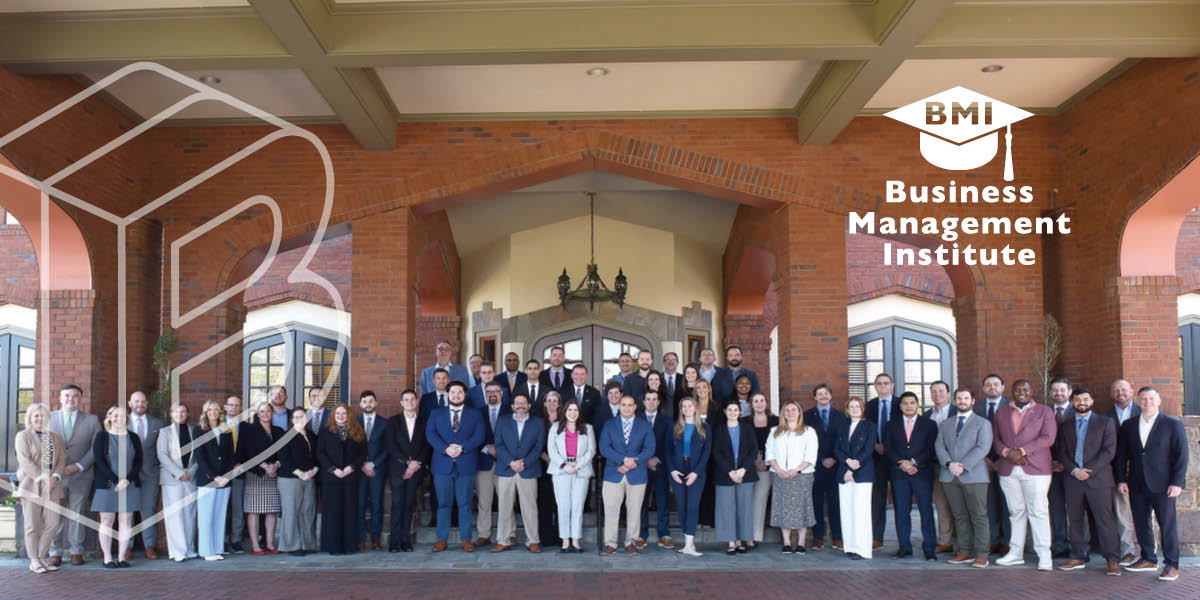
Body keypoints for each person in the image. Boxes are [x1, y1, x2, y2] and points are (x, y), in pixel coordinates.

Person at [1116, 386, 1188, 581]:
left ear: (1158, 401)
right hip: (1136, 483)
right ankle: (1148, 558)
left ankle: (1172, 564)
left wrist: (1177, 482)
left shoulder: (1173, 424)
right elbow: (1122, 456)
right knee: (1141, 523)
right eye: (1144, 399)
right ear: (1139, 402)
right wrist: (1121, 479)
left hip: (1164, 485)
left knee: (1167, 525)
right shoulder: (1128, 425)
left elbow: (1181, 456)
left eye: (1151, 398)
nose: (1147, 402)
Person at [1054, 387, 1121, 575]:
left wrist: (1088, 471)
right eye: (1077, 399)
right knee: (1075, 520)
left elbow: (1109, 451)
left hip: (1098, 479)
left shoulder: (1105, 422)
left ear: (1091, 401)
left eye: (1085, 399)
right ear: (1072, 401)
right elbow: (1061, 451)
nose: (1081, 403)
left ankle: (1112, 559)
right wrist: (1075, 470)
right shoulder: (1065, 425)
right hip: (1073, 479)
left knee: (1104, 520)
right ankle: (1077, 556)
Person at [992, 379, 1057, 571]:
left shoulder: (1045, 411)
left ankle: (1044, 555)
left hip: (1036, 469)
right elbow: (995, 439)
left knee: (1038, 511)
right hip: (1008, 469)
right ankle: (1015, 553)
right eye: (1017, 388)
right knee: (1016, 512)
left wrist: (1020, 451)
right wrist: (1007, 453)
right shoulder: (1001, 412)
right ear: (1011, 391)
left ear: (1032, 391)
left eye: (1025, 389)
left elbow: (1048, 438)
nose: (1021, 392)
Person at [936, 388, 993, 568]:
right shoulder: (946, 424)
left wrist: (963, 465)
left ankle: (982, 553)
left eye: (966, 398)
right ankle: (965, 551)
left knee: (979, 515)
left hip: (974, 475)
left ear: (973, 401)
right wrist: (949, 464)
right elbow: (939, 447)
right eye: (959, 398)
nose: (962, 401)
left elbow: (983, 447)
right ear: (955, 400)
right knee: (959, 515)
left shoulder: (982, 423)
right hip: (949, 475)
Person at [427, 381, 486, 552]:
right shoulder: (436, 413)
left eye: (460, 392)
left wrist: (462, 448)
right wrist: (445, 448)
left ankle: (466, 539)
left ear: (464, 394)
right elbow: (430, 434)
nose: (456, 395)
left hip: (465, 464)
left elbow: (479, 435)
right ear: (447, 394)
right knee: (444, 503)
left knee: (465, 503)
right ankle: (441, 539)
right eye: (453, 392)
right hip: (442, 464)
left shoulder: (475, 414)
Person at [47, 384, 101, 567]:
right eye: (67, 396)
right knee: (56, 513)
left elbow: (96, 447)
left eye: (75, 396)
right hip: (55, 476)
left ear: (80, 399)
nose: (71, 399)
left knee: (77, 513)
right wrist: (54, 471)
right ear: (60, 398)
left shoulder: (92, 420)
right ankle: (55, 551)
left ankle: (76, 550)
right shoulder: (48, 418)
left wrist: (79, 466)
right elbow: (43, 446)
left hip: (81, 474)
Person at [884, 392, 939, 561]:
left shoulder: (929, 424)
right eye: (905, 403)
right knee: (901, 511)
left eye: (912, 403)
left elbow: (931, 448)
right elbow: (888, 447)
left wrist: (914, 463)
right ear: (900, 406)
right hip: (899, 473)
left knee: (926, 510)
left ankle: (929, 548)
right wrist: (902, 463)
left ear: (917, 405)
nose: (908, 406)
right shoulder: (890, 425)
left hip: (921, 472)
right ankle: (904, 548)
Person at [598, 395, 655, 555]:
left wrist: (632, 463)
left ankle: (631, 542)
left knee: (635, 510)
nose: (627, 408)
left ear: (636, 406)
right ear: (619, 406)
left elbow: (649, 449)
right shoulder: (609, 424)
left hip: (637, 474)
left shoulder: (644, 425)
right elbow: (604, 447)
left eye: (630, 405)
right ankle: (610, 544)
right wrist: (623, 460)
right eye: (623, 405)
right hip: (613, 473)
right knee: (610, 509)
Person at [14, 403, 66, 573]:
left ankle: (41, 557)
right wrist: (43, 478)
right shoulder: (23, 436)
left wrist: (55, 477)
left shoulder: (55, 437)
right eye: (36, 416)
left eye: (43, 415)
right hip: (32, 485)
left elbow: (61, 461)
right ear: (30, 418)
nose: (39, 419)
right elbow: (25, 461)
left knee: (53, 523)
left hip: (53, 486)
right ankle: (34, 560)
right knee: (32, 525)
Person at [491, 394, 546, 553]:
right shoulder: (502, 421)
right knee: (504, 506)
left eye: (523, 403)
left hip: (528, 469)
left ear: (529, 406)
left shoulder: (538, 423)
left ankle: (533, 541)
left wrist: (524, 463)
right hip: (506, 469)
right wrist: (511, 462)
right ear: (512, 406)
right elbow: (499, 445)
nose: (520, 405)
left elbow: (538, 447)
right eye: (517, 403)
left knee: (529, 507)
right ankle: (503, 540)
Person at [92, 404, 144, 568]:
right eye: (114, 415)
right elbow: (99, 461)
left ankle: (122, 557)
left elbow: (139, 462)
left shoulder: (134, 437)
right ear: (109, 417)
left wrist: (127, 480)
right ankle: (107, 557)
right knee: (107, 520)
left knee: (126, 520)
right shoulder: (102, 436)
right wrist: (116, 480)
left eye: (122, 415)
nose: (118, 418)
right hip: (107, 485)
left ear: (126, 419)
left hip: (130, 484)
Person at [766, 399, 817, 553]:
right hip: (780, 475)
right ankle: (787, 542)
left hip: (802, 476)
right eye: (787, 410)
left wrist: (797, 470)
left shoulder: (808, 431)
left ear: (799, 412)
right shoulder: (775, 431)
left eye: (794, 410)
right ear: (783, 414)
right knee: (783, 507)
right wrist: (778, 469)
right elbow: (770, 452)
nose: (790, 413)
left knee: (802, 508)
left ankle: (801, 543)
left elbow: (810, 455)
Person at [318, 404, 367, 555]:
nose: (340, 416)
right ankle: (333, 547)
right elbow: (320, 453)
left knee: (350, 512)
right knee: (332, 513)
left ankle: (349, 546)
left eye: (343, 413)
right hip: (331, 479)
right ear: (333, 415)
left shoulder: (358, 431)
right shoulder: (325, 432)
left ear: (349, 415)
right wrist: (334, 470)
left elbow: (362, 453)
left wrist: (351, 468)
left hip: (350, 478)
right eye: (337, 413)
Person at [547, 399, 595, 553]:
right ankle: (565, 540)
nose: (572, 413)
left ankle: (576, 540)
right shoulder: (555, 427)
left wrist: (578, 465)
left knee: (578, 506)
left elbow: (591, 451)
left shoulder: (588, 428)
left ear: (579, 412)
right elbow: (551, 450)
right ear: (564, 411)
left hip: (580, 470)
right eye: (570, 410)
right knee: (563, 506)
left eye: (575, 410)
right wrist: (564, 465)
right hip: (561, 471)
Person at [237, 401, 285, 555]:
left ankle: (270, 544)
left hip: (273, 474)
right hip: (256, 474)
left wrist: (276, 466)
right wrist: (265, 467)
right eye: (262, 411)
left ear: (272, 413)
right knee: (254, 511)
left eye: (268, 411)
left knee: (272, 511)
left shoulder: (278, 431)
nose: (265, 414)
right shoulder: (250, 430)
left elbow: (283, 452)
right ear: (257, 414)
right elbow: (249, 452)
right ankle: (256, 545)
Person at [387, 389, 430, 552]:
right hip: (398, 470)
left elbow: (427, 445)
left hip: (416, 470)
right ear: (401, 403)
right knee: (397, 505)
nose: (410, 402)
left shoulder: (425, 421)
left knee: (408, 505)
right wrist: (406, 463)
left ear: (417, 401)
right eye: (406, 400)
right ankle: (394, 542)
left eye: (412, 399)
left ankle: (405, 541)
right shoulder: (393, 421)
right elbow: (391, 446)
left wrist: (415, 465)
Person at [713, 402, 758, 555]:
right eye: (730, 409)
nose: (733, 412)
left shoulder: (747, 428)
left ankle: (741, 540)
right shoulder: (718, 430)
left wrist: (742, 470)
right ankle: (731, 542)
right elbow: (716, 453)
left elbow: (753, 450)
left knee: (744, 508)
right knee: (726, 508)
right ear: (725, 411)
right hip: (725, 474)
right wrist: (730, 472)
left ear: (740, 412)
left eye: (736, 410)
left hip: (746, 473)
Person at [1105, 378, 1141, 566]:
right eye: (1116, 390)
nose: (1120, 393)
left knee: (1145, 512)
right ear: (1112, 394)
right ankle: (1128, 551)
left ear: (1132, 391)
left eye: (1124, 389)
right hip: (1116, 471)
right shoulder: (1104, 417)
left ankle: (1147, 551)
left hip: (1143, 471)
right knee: (1123, 512)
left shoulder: (1143, 412)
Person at [667, 397, 710, 556]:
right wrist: (672, 470)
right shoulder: (675, 427)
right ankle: (688, 545)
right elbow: (668, 451)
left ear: (695, 408)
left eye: (689, 406)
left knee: (692, 506)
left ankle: (689, 544)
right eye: (683, 406)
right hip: (678, 471)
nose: (686, 408)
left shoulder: (705, 428)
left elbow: (706, 453)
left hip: (696, 471)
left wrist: (696, 472)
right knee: (682, 507)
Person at [804, 384, 845, 551]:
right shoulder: (807, 416)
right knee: (817, 503)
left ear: (830, 395)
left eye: (825, 393)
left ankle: (837, 537)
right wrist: (821, 458)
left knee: (836, 503)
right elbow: (805, 441)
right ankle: (818, 537)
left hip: (836, 466)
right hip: (816, 466)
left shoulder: (841, 416)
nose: (823, 396)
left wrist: (834, 458)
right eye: (819, 394)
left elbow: (843, 440)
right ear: (815, 397)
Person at [194, 399, 235, 561]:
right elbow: (200, 456)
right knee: (206, 517)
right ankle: (206, 551)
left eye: (216, 409)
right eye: (209, 410)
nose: (213, 412)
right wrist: (213, 476)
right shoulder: (199, 430)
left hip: (224, 481)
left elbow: (231, 455)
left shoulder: (226, 430)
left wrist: (226, 476)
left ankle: (217, 548)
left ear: (220, 412)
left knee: (219, 515)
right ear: (205, 412)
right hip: (207, 480)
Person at [835, 397, 875, 560]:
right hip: (844, 472)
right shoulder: (842, 426)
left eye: (857, 406)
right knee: (847, 510)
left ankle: (862, 549)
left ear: (862, 408)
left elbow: (868, 448)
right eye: (851, 406)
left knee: (860, 511)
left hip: (862, 473)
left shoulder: (869, 426)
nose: (854, 409)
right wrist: (846, 462)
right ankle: (850, 546)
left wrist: (852, 468)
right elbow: (836, 448)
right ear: (847, 409)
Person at [976, 373, 1012, 555]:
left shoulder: (1012, 406)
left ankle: (1007, 541)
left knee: (1008, 503)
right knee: (989, 503)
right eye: (988, 385)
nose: (992, 387)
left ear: (1003, 387)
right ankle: (993, 539)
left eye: (996, 384)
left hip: (1007, 462)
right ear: (983, 388)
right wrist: (985, 459)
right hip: (982, 462)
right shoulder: (976, 407)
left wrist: (1001, 459)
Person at [157, 402, 198, 562]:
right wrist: (179, 473)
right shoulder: (165, 432)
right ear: (171, 414)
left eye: (183, 412)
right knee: (175, 514)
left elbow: (199, 456)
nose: (180, 414)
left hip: (191, 477)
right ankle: (178, 551)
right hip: (172, 479)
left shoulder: (194, 431)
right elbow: (162, 455)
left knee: (190, 514)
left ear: (187, 414)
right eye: (176, 412)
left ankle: (189, 549)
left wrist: (191, 472)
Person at [865, 373, 901, 550]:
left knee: (900, 501)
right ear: (875, 386)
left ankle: (903, 541)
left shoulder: (901, 404)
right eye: (879, 384)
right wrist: (874, 445)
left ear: (892, 385)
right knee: (877, 500)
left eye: (886, 383)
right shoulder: (869, 406)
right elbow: (863, 431)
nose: (883, 386)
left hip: (897, 460)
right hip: (876, 458)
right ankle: (877, 538)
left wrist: (891, 448)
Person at [127, 391, 163, 560]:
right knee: (128, 511)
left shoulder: (158, 423)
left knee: (148, 510)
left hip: (150, 474)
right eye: (136, 401)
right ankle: (127, 546)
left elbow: (161, 449)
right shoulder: (122, 421)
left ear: (146, 403)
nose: (139, 404)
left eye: (142, 401)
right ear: (130, 403)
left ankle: (149, 546)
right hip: (127, 476)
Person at [277, 407, 318, 557]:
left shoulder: (312, 435)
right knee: (291, 512)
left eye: (302, 417)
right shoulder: (286, 436)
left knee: (308, 511)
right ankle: (292, 546)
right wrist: (300, 473)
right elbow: (283, 459)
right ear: (291, 420)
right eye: (296, 417)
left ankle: (308, 543)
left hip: (310, 477)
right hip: (290, 478)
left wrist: (314, 470)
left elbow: (317, 456)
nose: (299, 419)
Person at [474, 381, 510, 547]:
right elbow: (473, 434)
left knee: (506, 500)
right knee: (484, 500)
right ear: (485, 394)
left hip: (505, 462)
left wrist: (501, 450)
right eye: (488, 392)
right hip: (484, 461)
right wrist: (485, 447)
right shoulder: (478, 412)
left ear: (502, 393)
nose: (492, 394)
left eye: (496, 391)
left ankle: (510, 533)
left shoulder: (510, 411)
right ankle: (484, 533)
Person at [637, 390, 674, 549]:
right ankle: (641, 535)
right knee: (641, 502)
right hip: (640, 468)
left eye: (654, 399)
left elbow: (669, 445)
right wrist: (644, 460)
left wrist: (656, 459)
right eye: (648, 399)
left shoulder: (667, 421)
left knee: (662, 501)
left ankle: (664, 534)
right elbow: (634, 444)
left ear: (659, 402)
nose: (651, 402)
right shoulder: (636, 420)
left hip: (660, 467)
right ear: (643, 402)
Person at [924, 381, 956, 555]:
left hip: (957, 465)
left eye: (941, 391)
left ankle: (964, 541)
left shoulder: (958, 411)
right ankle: (946, 541)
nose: (938, 394)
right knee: (941, 505)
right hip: (935, 465)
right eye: (934, 391)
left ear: (948, 393)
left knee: (960, 505)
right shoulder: (927, 415)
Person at [357, 390, 390, 550]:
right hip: (360, 470)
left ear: (376, 403)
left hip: (378, 470)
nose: (368, 404)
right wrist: (362, 464)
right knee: (360, 504)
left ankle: (376, 539)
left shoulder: (385, 423)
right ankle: (361, 538)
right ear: (360, 404)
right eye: (364, 401)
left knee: (377, 504)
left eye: (371, 401)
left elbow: (387, 448)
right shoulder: (354, 422)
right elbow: (352, 448)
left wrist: (374, 464)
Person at [744, 392, 778, 548]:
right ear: (751, 404)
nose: (759, 403)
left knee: (760, 499)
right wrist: (752, 461)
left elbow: (779, 444)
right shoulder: (744, 422)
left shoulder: (776, 421)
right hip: (748, 466)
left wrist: (767, 461)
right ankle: (744, 534)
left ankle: (755, 535)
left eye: (762, 400)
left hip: (767, 465)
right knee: (746, 500)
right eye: (756, 401)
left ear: (766, 403)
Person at [1046, 378, 1073, 559]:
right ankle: (1060, 545)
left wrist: (1067, 463)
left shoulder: (1079, 411)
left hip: (1073, 470)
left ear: (1070, 392)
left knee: (1077, 509)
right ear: (1050, 393)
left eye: (1062, 390)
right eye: (1055, 391)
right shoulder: (1044, 412)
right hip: (1050, 469)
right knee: (1056, 509)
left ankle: (1080, 547)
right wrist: (1051, 462)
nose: (1059, 394)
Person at [694, 377, 722, 528]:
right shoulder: (692, 407)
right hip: (695, 452)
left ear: (709, 389)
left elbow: (719, 430)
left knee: (710, 486)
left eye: (704, 387)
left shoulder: (716, 407)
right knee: (697, 486)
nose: (702, 390)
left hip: (712, 451)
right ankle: (698, 519)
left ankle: (709, 519)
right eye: (699, 388)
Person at [536, 391, 562, 548]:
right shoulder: (538, 421)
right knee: (545, 503)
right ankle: (545, 537)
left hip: (561, 467)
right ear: (544, 403)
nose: (552, 403)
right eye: (549, 400)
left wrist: (559, 459)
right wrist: (546, 456)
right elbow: (534, 441)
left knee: (561, 502)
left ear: (559, 403)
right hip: (543, 465)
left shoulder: (564, 420)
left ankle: (561, 536)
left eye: (555, 400)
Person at [222, 395, 247, 553]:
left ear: (240, 408)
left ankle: (237, 540)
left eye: (236, 405)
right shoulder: (218, 424)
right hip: (222, 473)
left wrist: (241, 464)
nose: (233, 408)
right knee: (222, 508)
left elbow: (249, 449)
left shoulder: (246, 426)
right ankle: (222, 540)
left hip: (239, 472)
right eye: (230, 405)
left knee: (238, 508)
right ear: (225, 407)